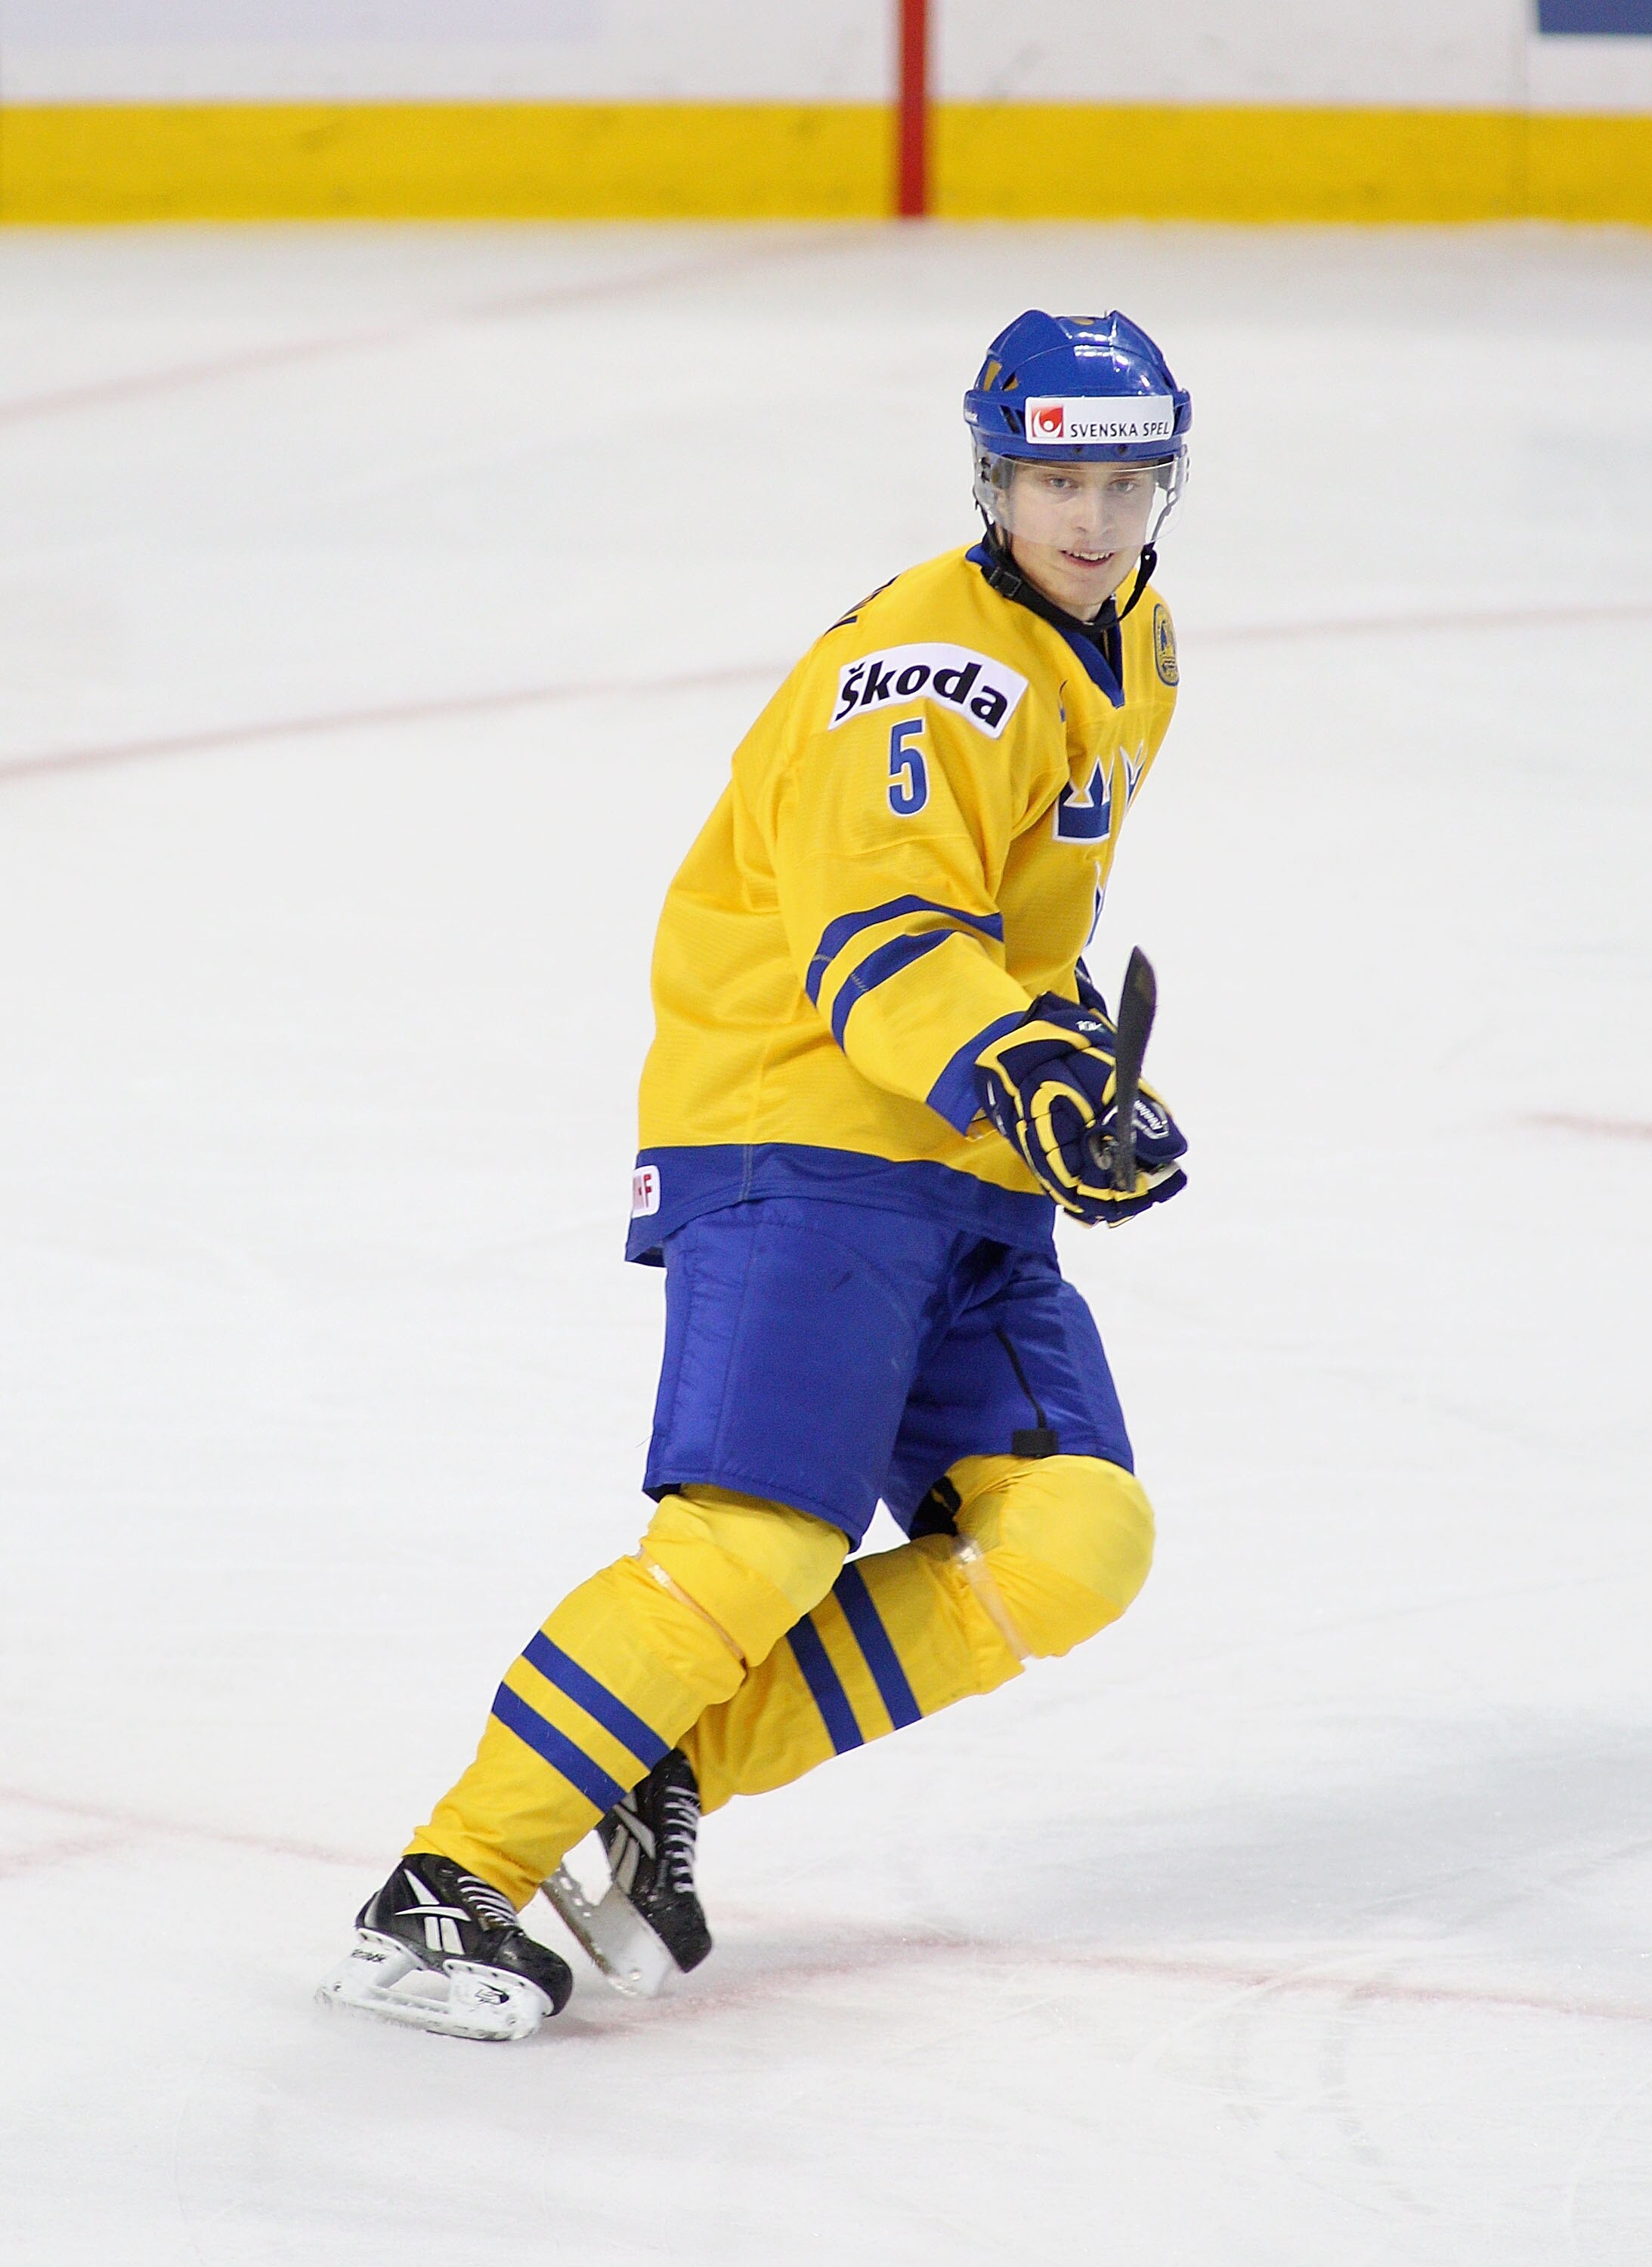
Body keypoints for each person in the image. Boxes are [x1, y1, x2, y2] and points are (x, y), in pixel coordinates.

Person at [319, 308, 1194, 2042]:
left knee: (1075, 1537)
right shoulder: (929, 671)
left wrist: (1077, 1082)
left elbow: (1008, 924)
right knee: (758, 1541)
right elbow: (880, 938)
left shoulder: (1137, 644)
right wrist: (1021, 1070)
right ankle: (445, 1883)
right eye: (1054, 482)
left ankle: (666, 1766)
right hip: (800, 1123)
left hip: (953, 1153)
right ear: (990, 476)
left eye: (1125, 481)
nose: (1091, 519)